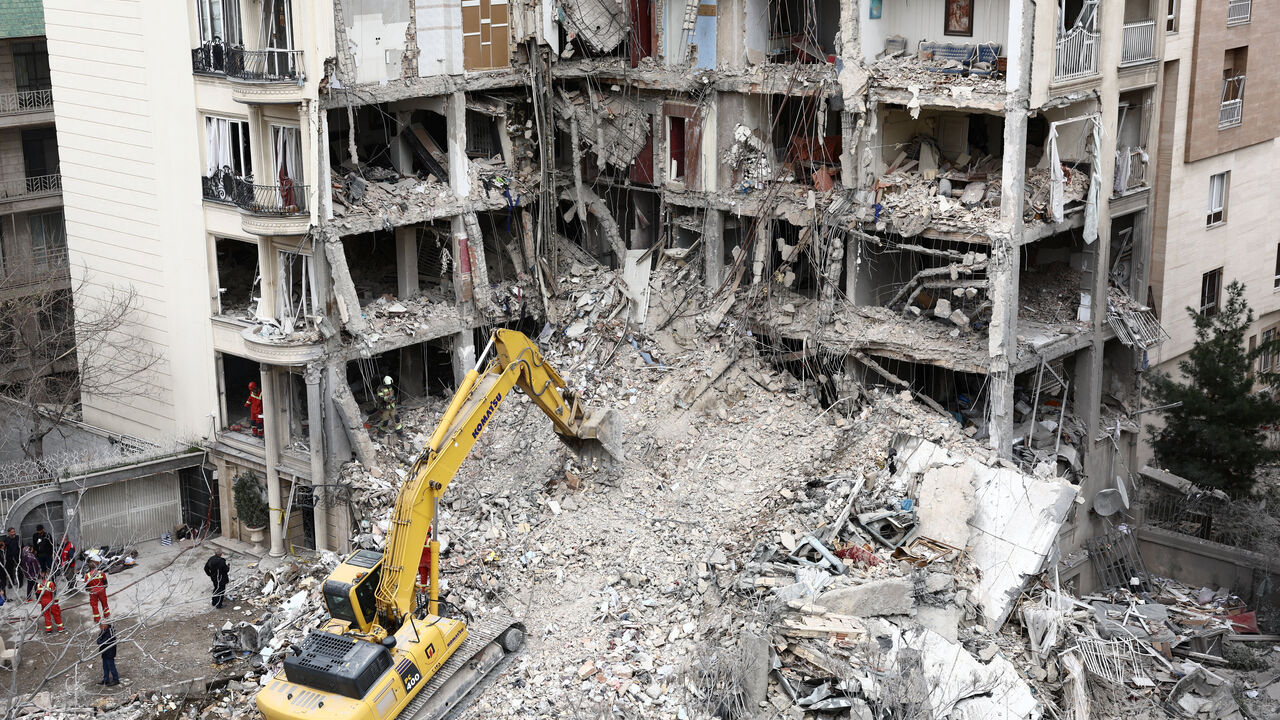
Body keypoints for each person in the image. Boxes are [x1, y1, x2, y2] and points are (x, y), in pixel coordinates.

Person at [1, 528, 17, 593]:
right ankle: (11, 582)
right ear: (9, 533)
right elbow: (4, 547)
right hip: (9, 558)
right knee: (10, 571)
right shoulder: (6, 540)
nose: (13, 533)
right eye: (12, 532)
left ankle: (20, 582)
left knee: (18, 570)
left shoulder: (17, 538)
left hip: (17, 557)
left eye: (14, 531)